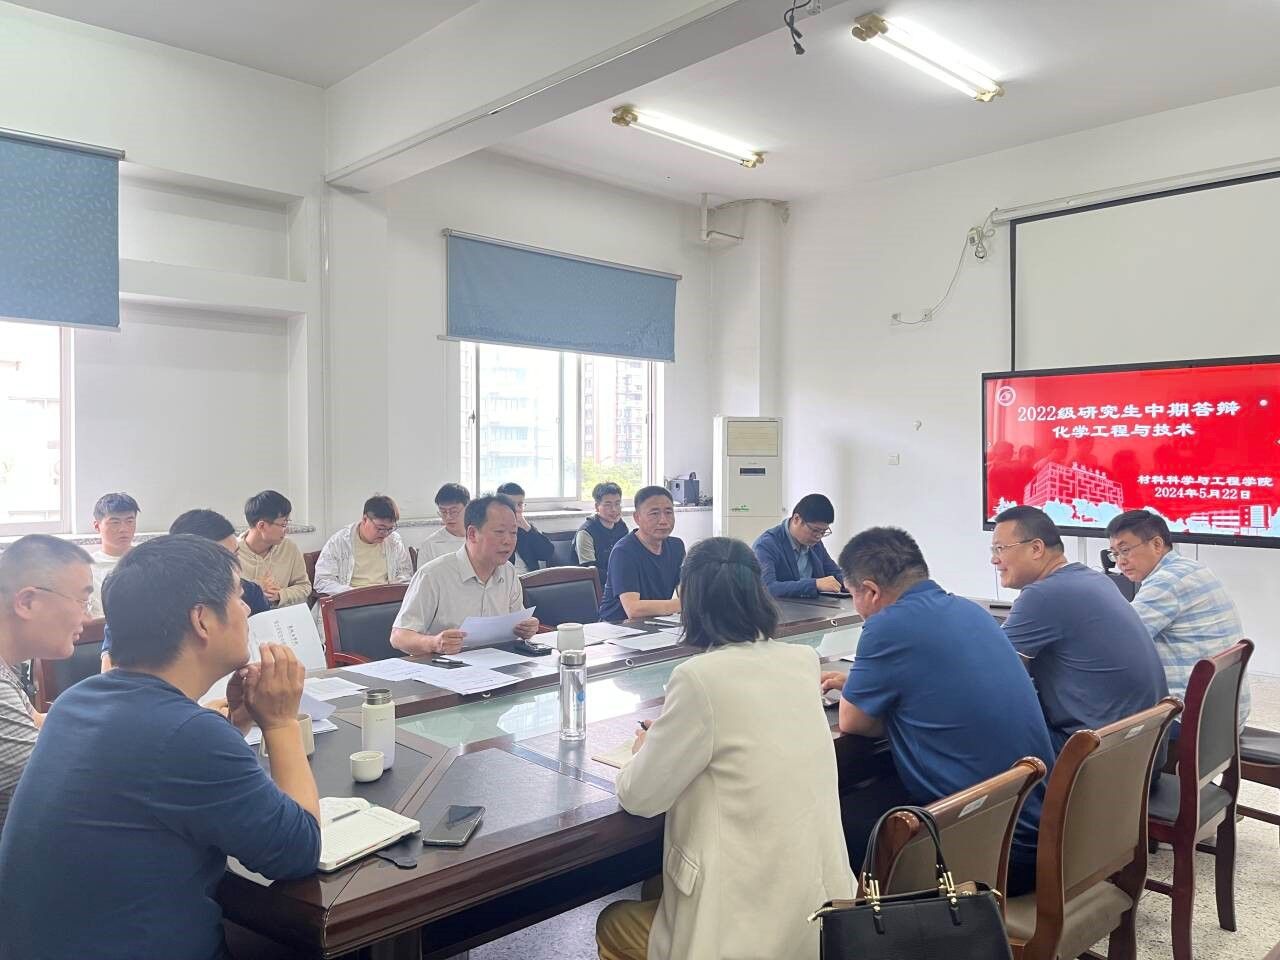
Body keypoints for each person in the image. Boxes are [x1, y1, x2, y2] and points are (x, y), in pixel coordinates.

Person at [0, 536, 320, 960]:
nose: (246, 610)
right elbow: (298, 852)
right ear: (202, 620)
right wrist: (280, 722)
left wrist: (235, 724)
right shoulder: (188, 734)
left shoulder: (78, 699)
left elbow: (156, 773)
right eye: (238, 597)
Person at [596, 538, 853, 960]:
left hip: (745, 933)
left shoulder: (699, 678)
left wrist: (645, 748)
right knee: (657, 885)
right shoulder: (801, 660)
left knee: (614, 921)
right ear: (760, 593)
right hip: (821, 912)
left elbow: (639, 797)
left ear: (690, 600)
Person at [817, 527, 1054, 890]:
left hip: (994, 852)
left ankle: (873, 920)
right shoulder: (969, 610)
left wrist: (867, 696)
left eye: (853, 596)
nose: (858, 609)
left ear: (871, 591)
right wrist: (865, 687)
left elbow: (853, 722)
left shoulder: (887, 625)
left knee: (834, 818)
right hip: (1035, 829)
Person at [992, 505, 1168, 751]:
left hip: (1095, 754)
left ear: (1036, 548)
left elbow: (993, 672)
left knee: (974, 729)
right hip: (1140, 749)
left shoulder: (1043, 595)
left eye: (1000, 548)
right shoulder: (1093, 578)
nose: (994, 559)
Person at [1106, 509, 1251, 721]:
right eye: (1115, 554)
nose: (1120, 562)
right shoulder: (1191, 568)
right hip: (1225, 715)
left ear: (1157, 544)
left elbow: (1116, 641)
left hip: (1188, 717)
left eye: (1125, 550)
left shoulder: (1166, 582)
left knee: (1092, 713)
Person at [0, 536, 93, 835]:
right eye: (82, 601)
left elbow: (38, 721)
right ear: (27, 602)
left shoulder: (8, 666)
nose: (88, 616)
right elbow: (67, 787)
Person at [101, 509, 272, 670]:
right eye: (223, 560)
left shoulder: (250, 593)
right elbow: (113, 670)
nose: (236, 567)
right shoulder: (143, 603)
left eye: (235, 555)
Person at [390, 495, 539, 655]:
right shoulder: (433, 575)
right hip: (445, 664)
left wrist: (527, 627)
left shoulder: (508, 571)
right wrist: (434, 643)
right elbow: (399, 636)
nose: (508, 541)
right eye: (499, 532)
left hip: (499, 661)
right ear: (472, 533)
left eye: (514, 532)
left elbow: (518, 620)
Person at [598, 486, 685, 622]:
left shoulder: (676, 546)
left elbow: (684, 590)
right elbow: (633, 609)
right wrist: (684, 604)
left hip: (656, 624)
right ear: (637, 518)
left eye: (668, 512)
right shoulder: (624, 551)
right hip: (617, 627)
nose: (663, 520)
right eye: (654, 514)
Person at [314, 494, 414, 596]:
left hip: (386, 598)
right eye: (380, 528)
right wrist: (352, 593)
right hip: (351, 599)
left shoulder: (394, 541)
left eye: (390, 528)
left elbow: (405, 575)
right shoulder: (339, 541)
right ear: (365, 519)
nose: (385, 533)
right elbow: (322, 581)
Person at [752, 493, 845, 598]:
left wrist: (850, 582)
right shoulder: (766, 545)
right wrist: (815, 584)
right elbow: (767, 588)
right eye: (815, 530)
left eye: (823, 532)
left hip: (813, 606)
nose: (819, 536)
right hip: (781, 607)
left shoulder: (814, 543)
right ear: (796, 519)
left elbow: (834, 572)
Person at [237, 490, 312, 607]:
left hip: (282, 614)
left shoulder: (289, 548)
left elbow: (304, 586)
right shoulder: (232, 552)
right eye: (283, 524)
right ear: (261, 526)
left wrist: (281, 595)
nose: (287, 530)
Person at [87, 491, 139, 617]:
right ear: (97, 526)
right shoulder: (87, 568)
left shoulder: (148, 559)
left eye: (130, 521)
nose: (123, 529)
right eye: (115, 522)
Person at [495, 482, 555, 574]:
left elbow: (547, 553)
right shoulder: (492, 530)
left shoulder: (525, 529)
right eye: (512, 505)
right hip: (506, 580)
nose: (517, 509)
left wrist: (527, 528)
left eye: (520, 504)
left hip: (531, 580)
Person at [574, 481, 629, 572]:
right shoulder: (586, 533)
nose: (614, 509)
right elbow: (590, 572)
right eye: (608, 505)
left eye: (617, 504)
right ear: (597, 507)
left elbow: (628, 558)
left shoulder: (621, 527)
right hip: (595, 579)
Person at [424, 483, 470, 561]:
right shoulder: (430, 545)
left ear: (468, 509)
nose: (448, 517)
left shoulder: (481, 538)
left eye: (454, 511)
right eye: (443, 512)